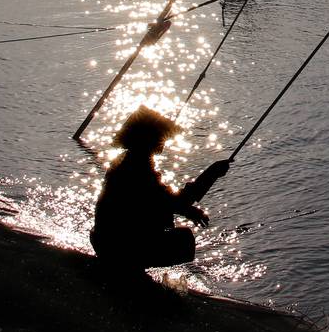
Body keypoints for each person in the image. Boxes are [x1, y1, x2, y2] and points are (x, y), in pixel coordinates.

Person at [90, 106, 231, 270]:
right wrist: (211, 173)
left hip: (103, 241)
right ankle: (132, 267)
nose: (164, 140)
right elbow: (175, 202)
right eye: (161, 135)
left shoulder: (126, 160)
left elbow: (159, 200)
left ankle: (133, 265)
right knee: (184, 238)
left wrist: (187, 210)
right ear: (148, 138)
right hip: (117, 247)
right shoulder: (138, 167)